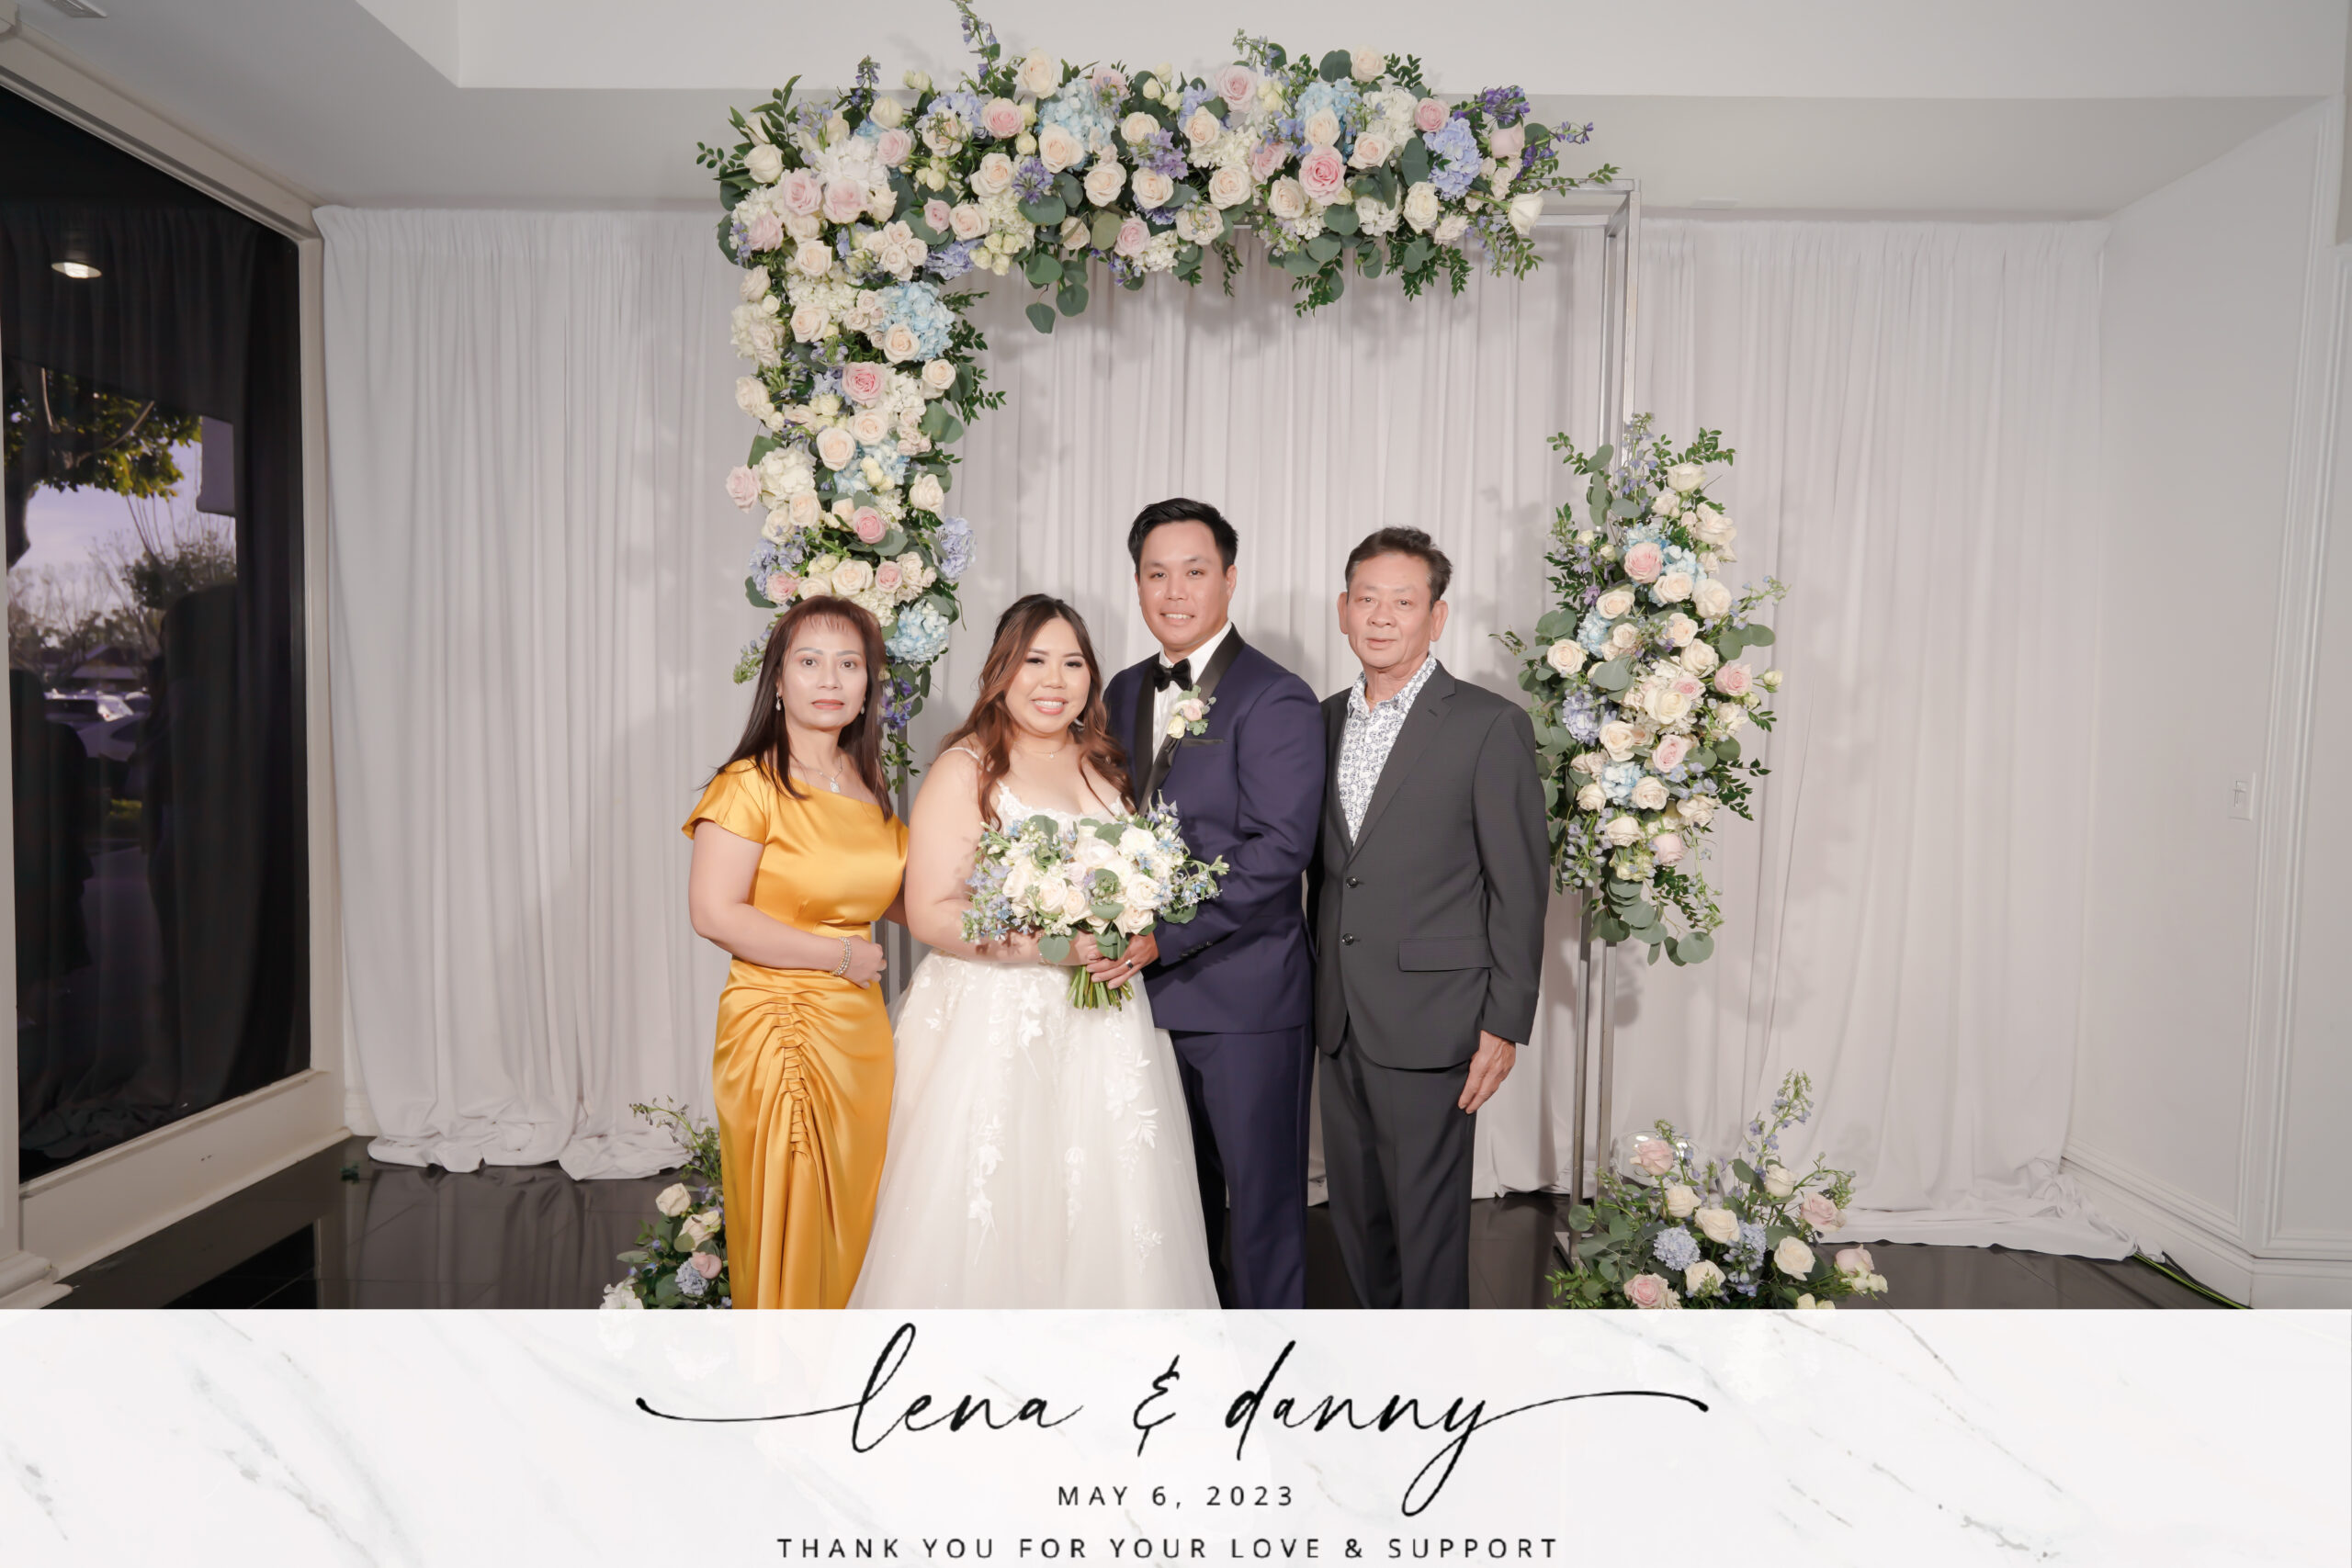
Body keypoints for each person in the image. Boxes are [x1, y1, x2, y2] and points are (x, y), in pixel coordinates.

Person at [849, 594, 1217, 1308]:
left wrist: (1129, 927)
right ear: (1002, 672)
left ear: (1091, 676)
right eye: (1035, 661)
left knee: (1104, 1199)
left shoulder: (1105, 764)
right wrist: (1051, 947)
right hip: (995, 1019)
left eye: (1072, 663)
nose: (1054, 680)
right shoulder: (967, 767)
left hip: (1104, 1019)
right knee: (1001, 1195)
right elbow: (929, 911)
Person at [1310, 528, 1547, 1309]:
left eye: (1403, 602)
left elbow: (1521, 884)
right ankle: (1379, 1365)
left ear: (1436, 617)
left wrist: (1505, 1021)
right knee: (1357, 1223)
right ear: (1343, 610)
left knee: (1430, 1232)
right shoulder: (1320, 720)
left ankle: (1436, 1371)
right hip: (1339, 1015)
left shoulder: (1488, 724)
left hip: (1436, 1017)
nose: (1381, 616)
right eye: (1366, 599)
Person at [1100, 499, 1324, 1308]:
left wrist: (1165, 934)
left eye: (1194, 571)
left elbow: (1278, 850)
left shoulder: (1276, 695)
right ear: (1136, 583)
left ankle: (1270, 1368)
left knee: (1259, 1211)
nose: (1175, 591)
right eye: (1156, 573)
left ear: (1229, 579)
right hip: (1139, 1000)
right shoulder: (1122, 688)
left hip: (1245, 999)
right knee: (1169, 1209)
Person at [683, 596, 907, 1309]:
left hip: (860, 1035)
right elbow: (714, 912)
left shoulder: (868, 786)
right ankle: (785, 1371)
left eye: (849, 663)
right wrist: (839, 957)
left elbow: (907, 899)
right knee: (795, 1216)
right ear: (778, 680)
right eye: (810, 661)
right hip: (781, 1027)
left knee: (858, 1216)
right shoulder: (749, 782)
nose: (830, 678)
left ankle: (850, 1366)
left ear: (868, 684)